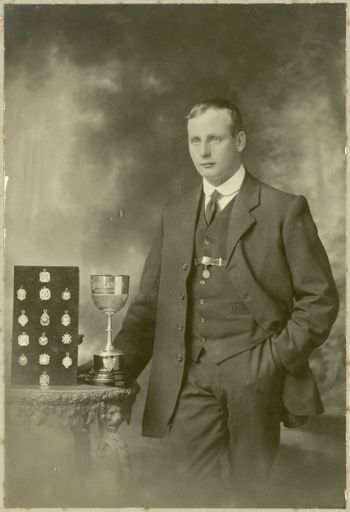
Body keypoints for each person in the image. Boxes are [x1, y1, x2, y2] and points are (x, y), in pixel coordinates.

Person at [113, 98, 339, 505]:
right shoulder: (175, 214)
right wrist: (116, 371)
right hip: (190, 377)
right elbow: (149, 306)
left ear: (239, 140)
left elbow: (319, 300)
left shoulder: (284, 209)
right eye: (194, 140)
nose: (202, 151)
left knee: (250, 497)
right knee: (184, 493)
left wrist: (272, 361)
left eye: (214, 139)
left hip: (256, 375)